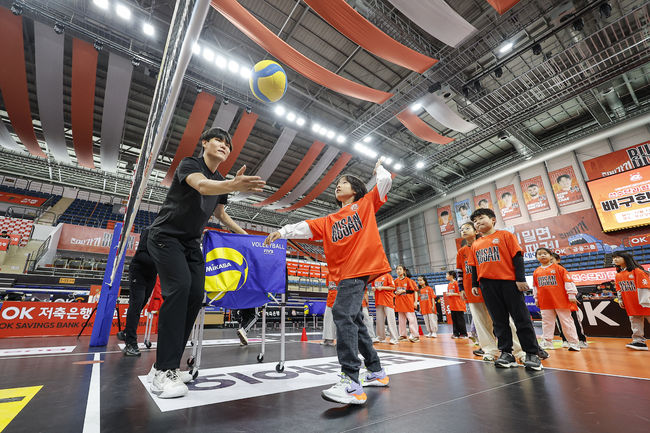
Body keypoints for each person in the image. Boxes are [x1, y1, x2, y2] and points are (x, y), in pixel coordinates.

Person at [146, 127, 266, 399]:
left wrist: (248, 238)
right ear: (204, 143)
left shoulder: (221, 180)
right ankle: (164, 371)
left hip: (190, 243)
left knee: (195, 296)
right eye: (218, 140)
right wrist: (233, 185)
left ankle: (165, 366)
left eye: (228, 144)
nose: (224, 146)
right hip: (165, 237)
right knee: (179, 290)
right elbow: (201, 185)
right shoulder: (190, 164)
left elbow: (221, 215)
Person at [264, 158, 392, 405]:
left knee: (342, 314)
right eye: (337, 183)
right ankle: (376, 371)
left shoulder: (365, 204)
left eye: (343, 182)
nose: (338, 185)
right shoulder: (329, 220)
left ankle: (351, 382)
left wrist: (378, 169)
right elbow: (305, 226)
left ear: (356, 189)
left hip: (359, 268)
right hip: (343, 274)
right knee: (354, 321)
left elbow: (385, 181)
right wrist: (282, 232)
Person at [468, 207, 543, 371]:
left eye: (481, 218)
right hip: (487, 285)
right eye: (475, 221)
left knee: (521, 318)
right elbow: (474, 266)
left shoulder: (505, 235)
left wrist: (520, 279)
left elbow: (517, 256)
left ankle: (532, 353)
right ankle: (506, 353)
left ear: (493, 219)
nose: (477, 222)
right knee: (499, 321)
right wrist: (474, 284)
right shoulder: (475, 244)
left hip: (508, 282)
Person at [457, 222, 527, 362]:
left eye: (467, 228)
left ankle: (519, 350)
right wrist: (461, 288)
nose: (463, 231)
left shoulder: (486, 243)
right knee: (480, 323)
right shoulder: (461, 252)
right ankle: (490, 350)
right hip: (472, 290)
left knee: (504, 320)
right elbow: (460, 271)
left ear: (476, 230)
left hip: (491, 287)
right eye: (461, 229)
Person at [119, 228, 159, 357]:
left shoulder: (169, 236)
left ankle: (126, 332)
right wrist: (161, 261)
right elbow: (141, 255)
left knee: (141, 304)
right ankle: (130, 343)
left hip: (151, 274)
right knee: (136, 305)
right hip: (139, 271)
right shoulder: (149, 230)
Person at [532, 247, 580, 352]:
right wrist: (536, 299)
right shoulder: (536, 272)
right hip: (545, 302)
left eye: (545, 253)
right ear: (536, 257)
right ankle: (547, 342)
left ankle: (573, 342)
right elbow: (535, 287)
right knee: (546, 322)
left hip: (560, 300)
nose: (542, 255)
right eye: (539, 254)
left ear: (550, 256)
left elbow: (568, 281)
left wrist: (571, 294)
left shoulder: (559, 268)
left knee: (566, 321)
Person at [612, 251, 650, 350]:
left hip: (645, 302)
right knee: (635, 322)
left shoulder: (637, 271)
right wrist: (620, 300)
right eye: (613, 257)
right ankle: (639, 341)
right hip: (631, 303)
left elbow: (645, 286)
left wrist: (646, 300)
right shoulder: (618, 275)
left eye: (618, 257)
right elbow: (619, 289)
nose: (615, 259)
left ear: (626, 258)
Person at [551, 253, 587, 348]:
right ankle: (565, 339)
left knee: (575, 320)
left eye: (552, 260)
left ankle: (581, 340)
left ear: (558, 260)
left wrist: (572, 295)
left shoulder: (563, 270)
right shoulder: (545, 272)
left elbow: (570, 283)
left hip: (567, 300)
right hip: (556, 301)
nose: (550, 262)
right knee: (560, 321)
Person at [394, 265, 419, 342]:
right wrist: (396, 292)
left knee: (411, 319)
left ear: (404, 271)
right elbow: (393, 291)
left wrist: (403, 291)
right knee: (401, 320)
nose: (399, 271)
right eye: (397, 269)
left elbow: (412, 291)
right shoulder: (395, 281)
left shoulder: (408, 280)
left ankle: (415, 336)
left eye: (400, 269)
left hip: (408, 303)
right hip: (399, 303)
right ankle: (403, 335)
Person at [371, 272, 398, 344]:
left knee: (391, 320)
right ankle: (380, 337)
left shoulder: (387, 276)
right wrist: (373, 288)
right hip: (378, 300)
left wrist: (382, 287)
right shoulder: (375, 277)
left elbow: (393, 287)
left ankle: (394, 338)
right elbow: (373, 287)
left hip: (387, 300)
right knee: (379, 320)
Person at [445, 271, 467, 338]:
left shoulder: (457, 283)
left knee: (460, 320)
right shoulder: (449, 284)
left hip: (459, 305)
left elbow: (460, 293)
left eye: (447, 275)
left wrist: (451, 294)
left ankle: (464, 334)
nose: (446, 276)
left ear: (451, 276)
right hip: (452, 305)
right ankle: (456, 333)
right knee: (454, 321)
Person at [321, 276, 337, 346]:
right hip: (330, 301)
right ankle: (328, 339)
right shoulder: (329, 275)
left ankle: (341, 340)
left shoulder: (342, 272)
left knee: (339, 322)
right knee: (327, 321)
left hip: (339, 301)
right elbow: (329, 288)